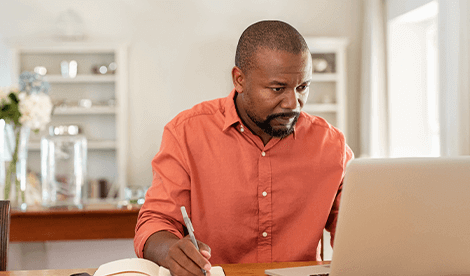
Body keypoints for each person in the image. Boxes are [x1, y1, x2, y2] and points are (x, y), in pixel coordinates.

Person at [134, 20, 354, 275]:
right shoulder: (186, 133)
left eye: (302, 87)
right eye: (277, 88)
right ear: (239, 80)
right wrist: (170, 250)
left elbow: (357, 235)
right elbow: (155, 222)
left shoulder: (332, 146)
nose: (293, 103)